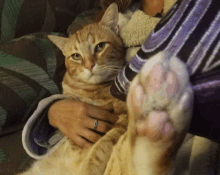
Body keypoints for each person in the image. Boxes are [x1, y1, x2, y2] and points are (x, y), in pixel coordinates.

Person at [22, 0, 220, 159]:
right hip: (78, 150)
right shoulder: (97, 18)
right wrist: (52, 111)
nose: (90, 63)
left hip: (178, 144)